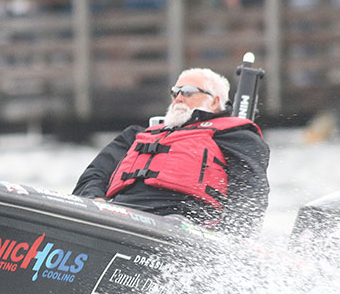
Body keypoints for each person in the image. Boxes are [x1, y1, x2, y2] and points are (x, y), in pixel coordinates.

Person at [72, 68, 270, 236]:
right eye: (175, 92)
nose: (179, 98)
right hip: (122, 214)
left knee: (174, 223)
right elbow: (94, 174)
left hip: (182, 222)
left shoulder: (234, 137)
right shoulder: (137, 135)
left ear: (214, 101)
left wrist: (231, 241)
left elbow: (250, 195)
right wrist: (95, 202)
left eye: (189, 92)